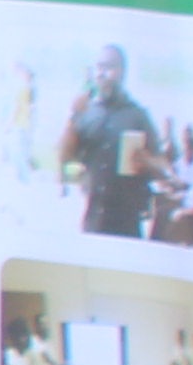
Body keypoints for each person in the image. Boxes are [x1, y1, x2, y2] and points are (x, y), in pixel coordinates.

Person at [64, 45, 161, 238]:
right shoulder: (86, 114)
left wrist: (147, 163)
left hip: (126, 224)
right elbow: (66, 159)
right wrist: (73, 117)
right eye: (99, 67)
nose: (102, 73)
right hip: (93, 220)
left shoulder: (138, 116)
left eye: (109, 67)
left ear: (122, 72)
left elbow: (159, 167)